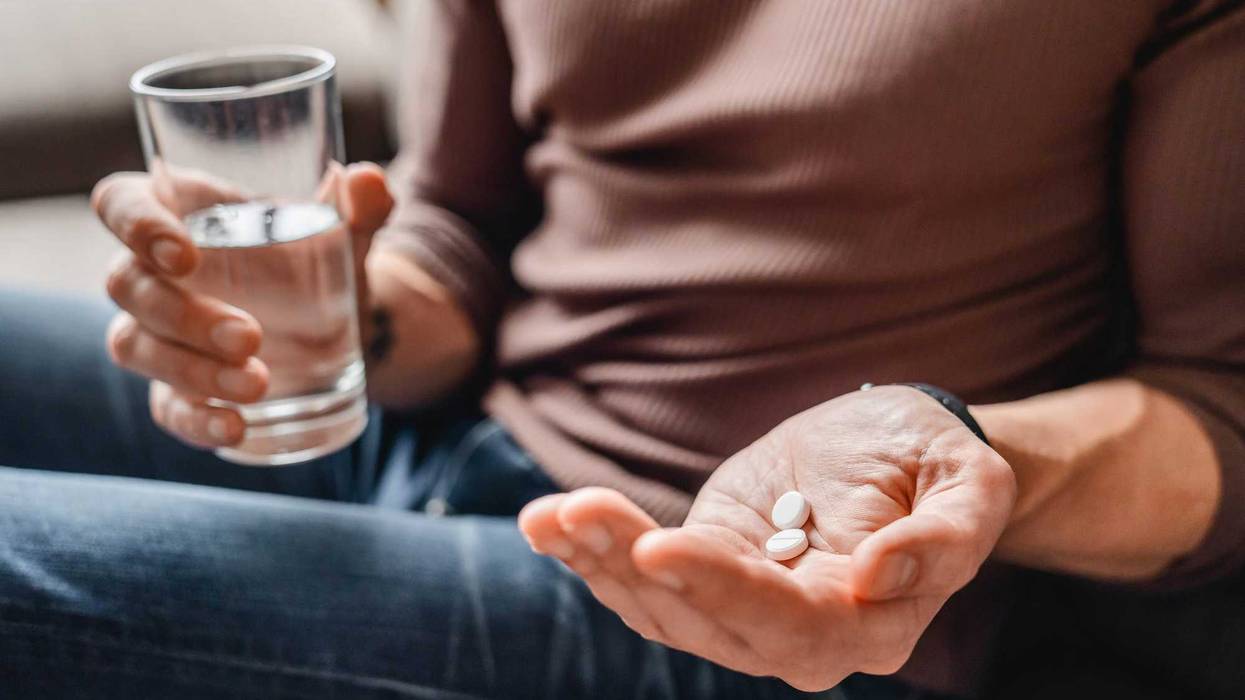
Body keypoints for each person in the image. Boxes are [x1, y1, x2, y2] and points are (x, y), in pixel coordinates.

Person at [2, 2, 1243, 698]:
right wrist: (332, 308)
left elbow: (1222, 403)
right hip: (444, 428)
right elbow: (461, 232)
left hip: (745, 601)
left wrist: (964, 450)